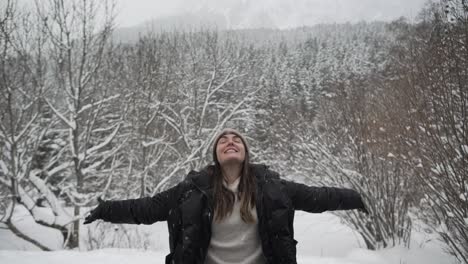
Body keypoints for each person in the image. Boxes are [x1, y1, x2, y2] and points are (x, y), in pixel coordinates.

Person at [84, 128, 368, 264]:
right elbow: (147, 209)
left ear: (245, 153)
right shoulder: (191, 191)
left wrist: (356, 197)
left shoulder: (272, 187)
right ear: (216, 155)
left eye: (236, 140)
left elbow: (317, 198)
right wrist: (106, 209)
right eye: (223, 140)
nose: (230, 142)